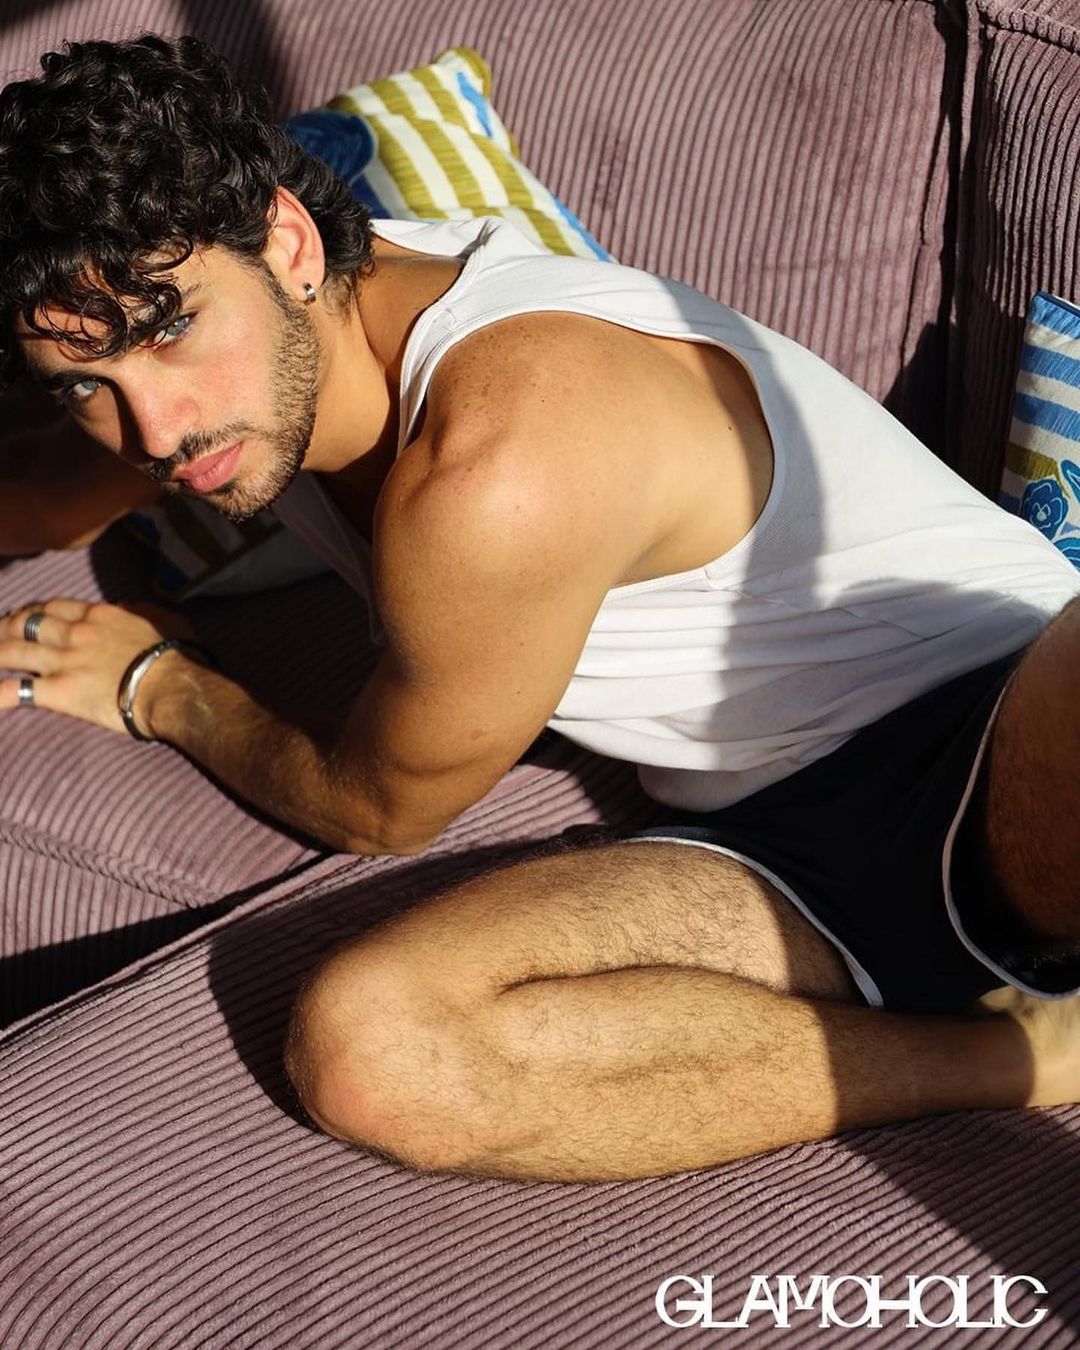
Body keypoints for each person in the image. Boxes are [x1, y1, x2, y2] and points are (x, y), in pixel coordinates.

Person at [0, 34, 1077, 1182]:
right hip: (774, 851)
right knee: (374, 1048)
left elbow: (377, 806)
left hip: (1005, 727)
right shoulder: (238, 378)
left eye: (170, 329)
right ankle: (1020, 1055)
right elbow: (42, 499)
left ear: (289, 242)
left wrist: (167, 689)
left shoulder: (498, 456)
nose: (156, 430)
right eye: (88, 384)